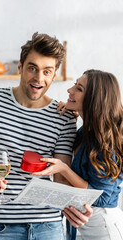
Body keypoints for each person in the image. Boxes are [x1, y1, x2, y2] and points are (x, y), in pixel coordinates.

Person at [0, 32, 92, 240]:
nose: (39, 78)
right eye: (32, 68)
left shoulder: (64, 118)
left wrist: (78, 208)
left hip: (49, 227)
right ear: (20, 67)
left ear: (54, 74)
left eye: (47, 71)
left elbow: (60, 178)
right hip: (0, 229)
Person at [33, 69, 123, 240]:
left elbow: (100, 196)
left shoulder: (104, 140)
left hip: (104, 227)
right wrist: (71, 118)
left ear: (94, 99)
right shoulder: (84, 131)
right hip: (85, 226)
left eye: (79, 89)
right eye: (75, 84)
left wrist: (64, 169)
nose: (70, 90)